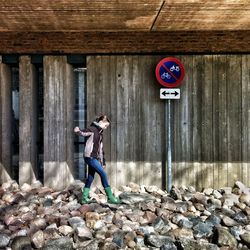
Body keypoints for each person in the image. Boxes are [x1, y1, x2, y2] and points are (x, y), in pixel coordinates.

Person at [74, 115, 120, 204]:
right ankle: (110, 197)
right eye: (106, 126)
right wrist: (78, 131)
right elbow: (83, 133)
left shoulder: (100, 134)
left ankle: (84, 198)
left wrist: (103, 162)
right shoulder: (93, 129)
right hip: (89, 157)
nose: (106, 128)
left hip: (94, 158)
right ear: (101, 122)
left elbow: (100, 150)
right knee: (103, 174)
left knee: (90, 177)